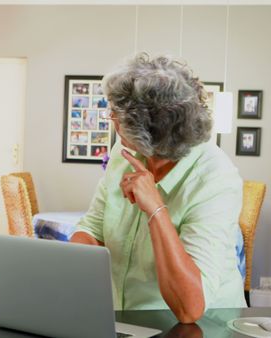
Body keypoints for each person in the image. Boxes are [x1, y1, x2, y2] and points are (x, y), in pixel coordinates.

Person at [71, 53, 246, 323]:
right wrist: (65, 268)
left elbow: (190, 309)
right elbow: (93, 228)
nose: (111, 118)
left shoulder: (216, 178)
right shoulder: (124, 152)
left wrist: (155, 209)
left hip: (200, 327)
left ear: (146, 128)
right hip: (125, 320)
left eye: (116, 113)